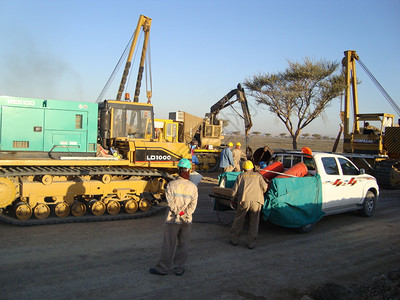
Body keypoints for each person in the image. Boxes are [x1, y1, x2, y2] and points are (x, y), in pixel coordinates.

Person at [149, 158, 198, 276]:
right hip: (186, 221)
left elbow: (171, 204)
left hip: (172, 220)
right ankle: (179, 268)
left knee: (168, 245)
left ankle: (163, 268)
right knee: (183, 244)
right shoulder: (193, 187)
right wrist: (185, 214)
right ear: (189, 171)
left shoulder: (171, 185)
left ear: (179, 170)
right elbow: (193, 206)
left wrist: (179, 213)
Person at [229, 160, 269, 249]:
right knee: (254, 221)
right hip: (256, 201)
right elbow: (265, 187)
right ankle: (251, 242)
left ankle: (234, 239)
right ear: (252, 168)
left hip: (244, 200)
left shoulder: (241, 176)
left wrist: (232, 199)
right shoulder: (258, 176)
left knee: (239, 219)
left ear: (243, 169)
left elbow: (234, 190)